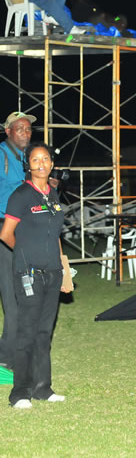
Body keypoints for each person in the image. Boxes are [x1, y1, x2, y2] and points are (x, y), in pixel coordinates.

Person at [0, 142, 72, 409]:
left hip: (52, 273)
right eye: (35, 160)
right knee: (27, 333)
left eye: (45, 159)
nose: (41, 163)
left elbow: (55, 237)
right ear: (28, 165)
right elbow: (6, 234)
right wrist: (24, 256)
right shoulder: (20, 195)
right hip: (28, 273)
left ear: (52, 164)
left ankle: (43, 388)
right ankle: (19, 393)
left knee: (44, 333)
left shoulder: (52, 194)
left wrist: (63, 271)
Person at [0, 111, 34, 369]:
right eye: (20, 128)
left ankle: (15, 351)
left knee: (25, 290)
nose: (26, 132)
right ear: (8, 131)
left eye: (29, 129)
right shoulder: (1, 156)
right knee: (12, 296)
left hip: (26, 229)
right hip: (5, 230)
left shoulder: (27, 158)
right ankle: (7, 357)